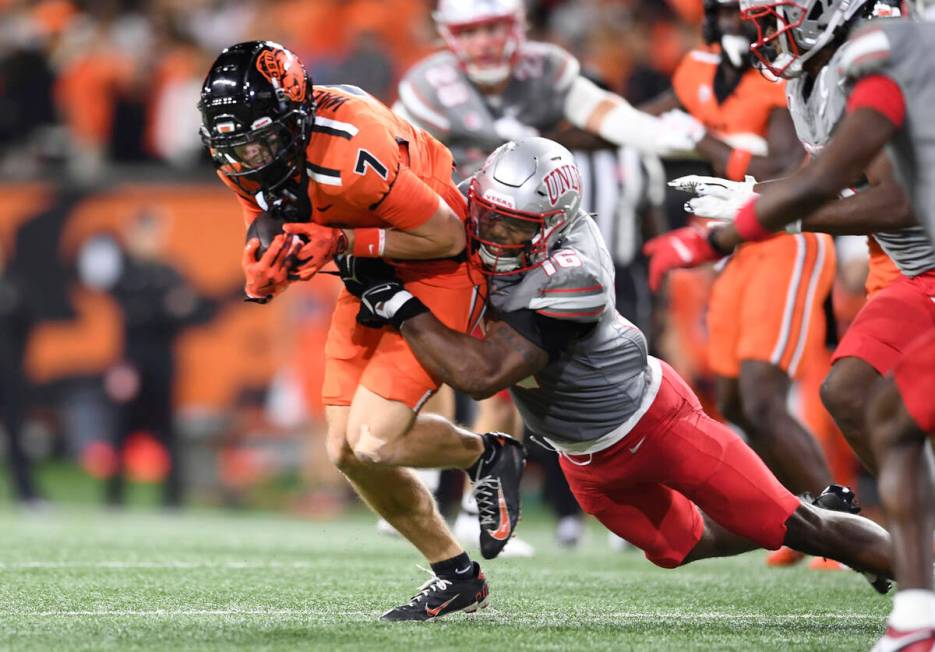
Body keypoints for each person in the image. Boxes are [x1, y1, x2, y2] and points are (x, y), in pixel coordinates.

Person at [349, 135, 894, 591]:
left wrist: (396, 301)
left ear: (549, 225)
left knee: (802, 528)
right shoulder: (476, 208)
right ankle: (798, 501)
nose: (491, 234)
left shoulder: (573, 273)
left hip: (654, 423)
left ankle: (913, 571)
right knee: (682, 548)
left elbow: (482, 375)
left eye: (511, 227)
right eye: (488, 217)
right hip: (581, 455)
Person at [642, 4, 935, 647]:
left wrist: (760, 216)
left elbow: (895, 195)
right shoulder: (817, 74)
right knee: (851, 394)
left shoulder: (888, 48)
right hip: (916, 268)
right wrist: (759, 198)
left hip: (918, 256)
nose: (763, 30)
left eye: (779, 13)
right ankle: (923, 590)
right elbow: (834, 176)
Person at [199, 41, 522, 621]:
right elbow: (267, 212)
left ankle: (485, 453)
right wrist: (265, 266)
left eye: (260, 140)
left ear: (294, 116)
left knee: (376, 438)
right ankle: (456, 575)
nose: (248, 157)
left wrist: (344, 242)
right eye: (236, 146)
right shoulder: (245, 156)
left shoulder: (352, 147)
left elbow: (447, 235)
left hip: (438, 267)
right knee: (345, 451)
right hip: (367, 270)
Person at [394, 0, 697, 551]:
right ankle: (426, 486)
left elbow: (605, 112)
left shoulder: (547, 69)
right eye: (471, 30)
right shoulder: (427, 85)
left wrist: (670, 138)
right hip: (447, 237)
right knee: (428, 366)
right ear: (449, 36)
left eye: (493, 27)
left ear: (517, 29)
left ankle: (470, 501)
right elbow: (400, 167)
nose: (485, 41)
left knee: (506, 375)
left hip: (517, 247)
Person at [644, 1, 839, 519]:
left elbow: (782, 164)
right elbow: (641, 122)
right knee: (729, 400)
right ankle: (805, 514)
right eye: (727, 12)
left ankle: (843, 526)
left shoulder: (789, 70)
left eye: (746, 14)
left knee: (761, 398)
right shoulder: (699, 67)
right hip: (734, 242)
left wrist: (703, 141)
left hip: (787, 236)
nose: (736, 24)